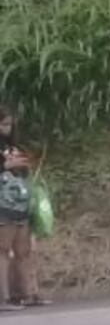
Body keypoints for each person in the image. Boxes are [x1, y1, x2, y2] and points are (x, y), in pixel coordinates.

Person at [0, 104, 43, 309]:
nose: (7, 127)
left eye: (9, 124)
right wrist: (5, 166)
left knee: (23, 251)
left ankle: (27, 293)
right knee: (3, 250)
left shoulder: (12, 145)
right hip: (3, 204)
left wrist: (24, 165)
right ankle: (4, 298)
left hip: (20, 204)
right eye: (4, 123)